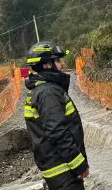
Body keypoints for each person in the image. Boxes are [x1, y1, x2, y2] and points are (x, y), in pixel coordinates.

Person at [23, 43, 89, 190]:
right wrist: (79, 164)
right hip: (64, 171)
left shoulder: (39, 89)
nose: (62, 64)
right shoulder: (48, 92)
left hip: (56, 169)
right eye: (58, 61)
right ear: (47, 65)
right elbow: (57, 131)